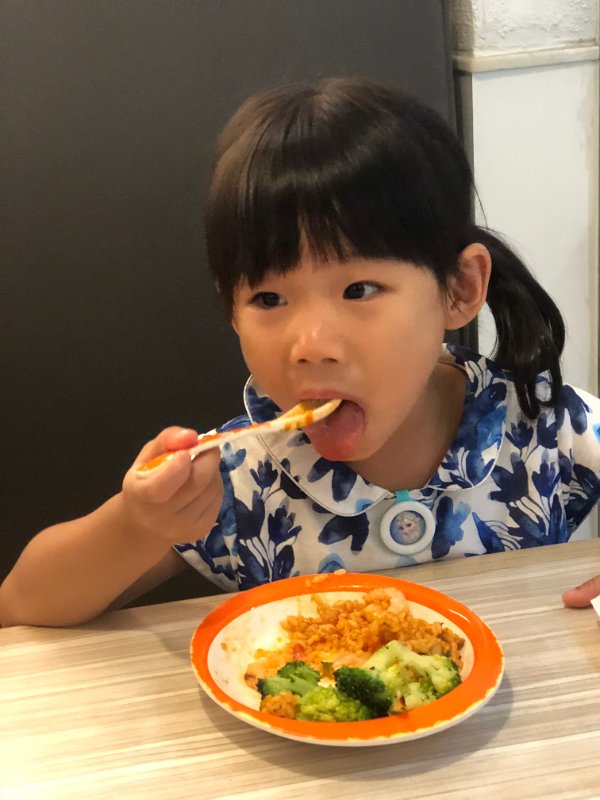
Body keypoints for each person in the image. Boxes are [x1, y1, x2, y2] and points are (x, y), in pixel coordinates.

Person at [1, 78, 599, 628]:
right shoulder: (238, 479)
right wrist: (137, 525)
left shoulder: (545, 428)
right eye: (268, 298)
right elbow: (22, 606)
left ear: (460, 289)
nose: (310, 346)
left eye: (359, 290)